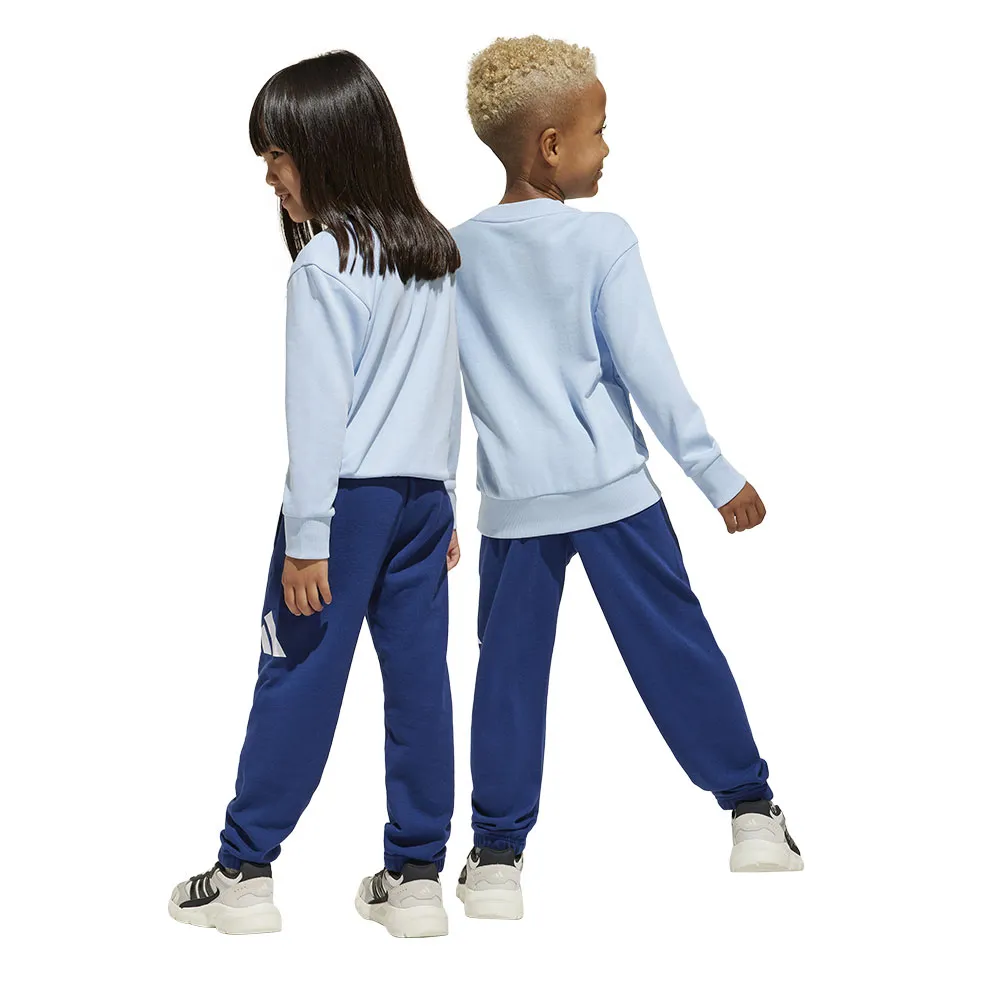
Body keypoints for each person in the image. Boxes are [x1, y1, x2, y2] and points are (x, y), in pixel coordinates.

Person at [450, 35, 803, 921]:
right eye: (599, 130)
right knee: (674, 648)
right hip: (614, 492)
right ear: (551, 147)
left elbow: (438, 388)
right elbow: (649, 370)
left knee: (507, 677)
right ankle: (751, 812)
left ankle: (495, 859)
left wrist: (435, 503)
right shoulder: (602, 238)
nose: (608, 147)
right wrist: (716, 475)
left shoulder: (454, 252)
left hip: (515, 506)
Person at [168, 50, 463, 938]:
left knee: (296, 676)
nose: (271, 176)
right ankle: (416, 878)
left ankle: (244, 872)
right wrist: (446, 496)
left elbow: (317, 414)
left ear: (330, 146)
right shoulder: (432, 253)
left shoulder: (326, 265)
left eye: (279, 155)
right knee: (420, 685)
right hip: (421, 501)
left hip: (345, 509)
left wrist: (308, 537)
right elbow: (441, 387)